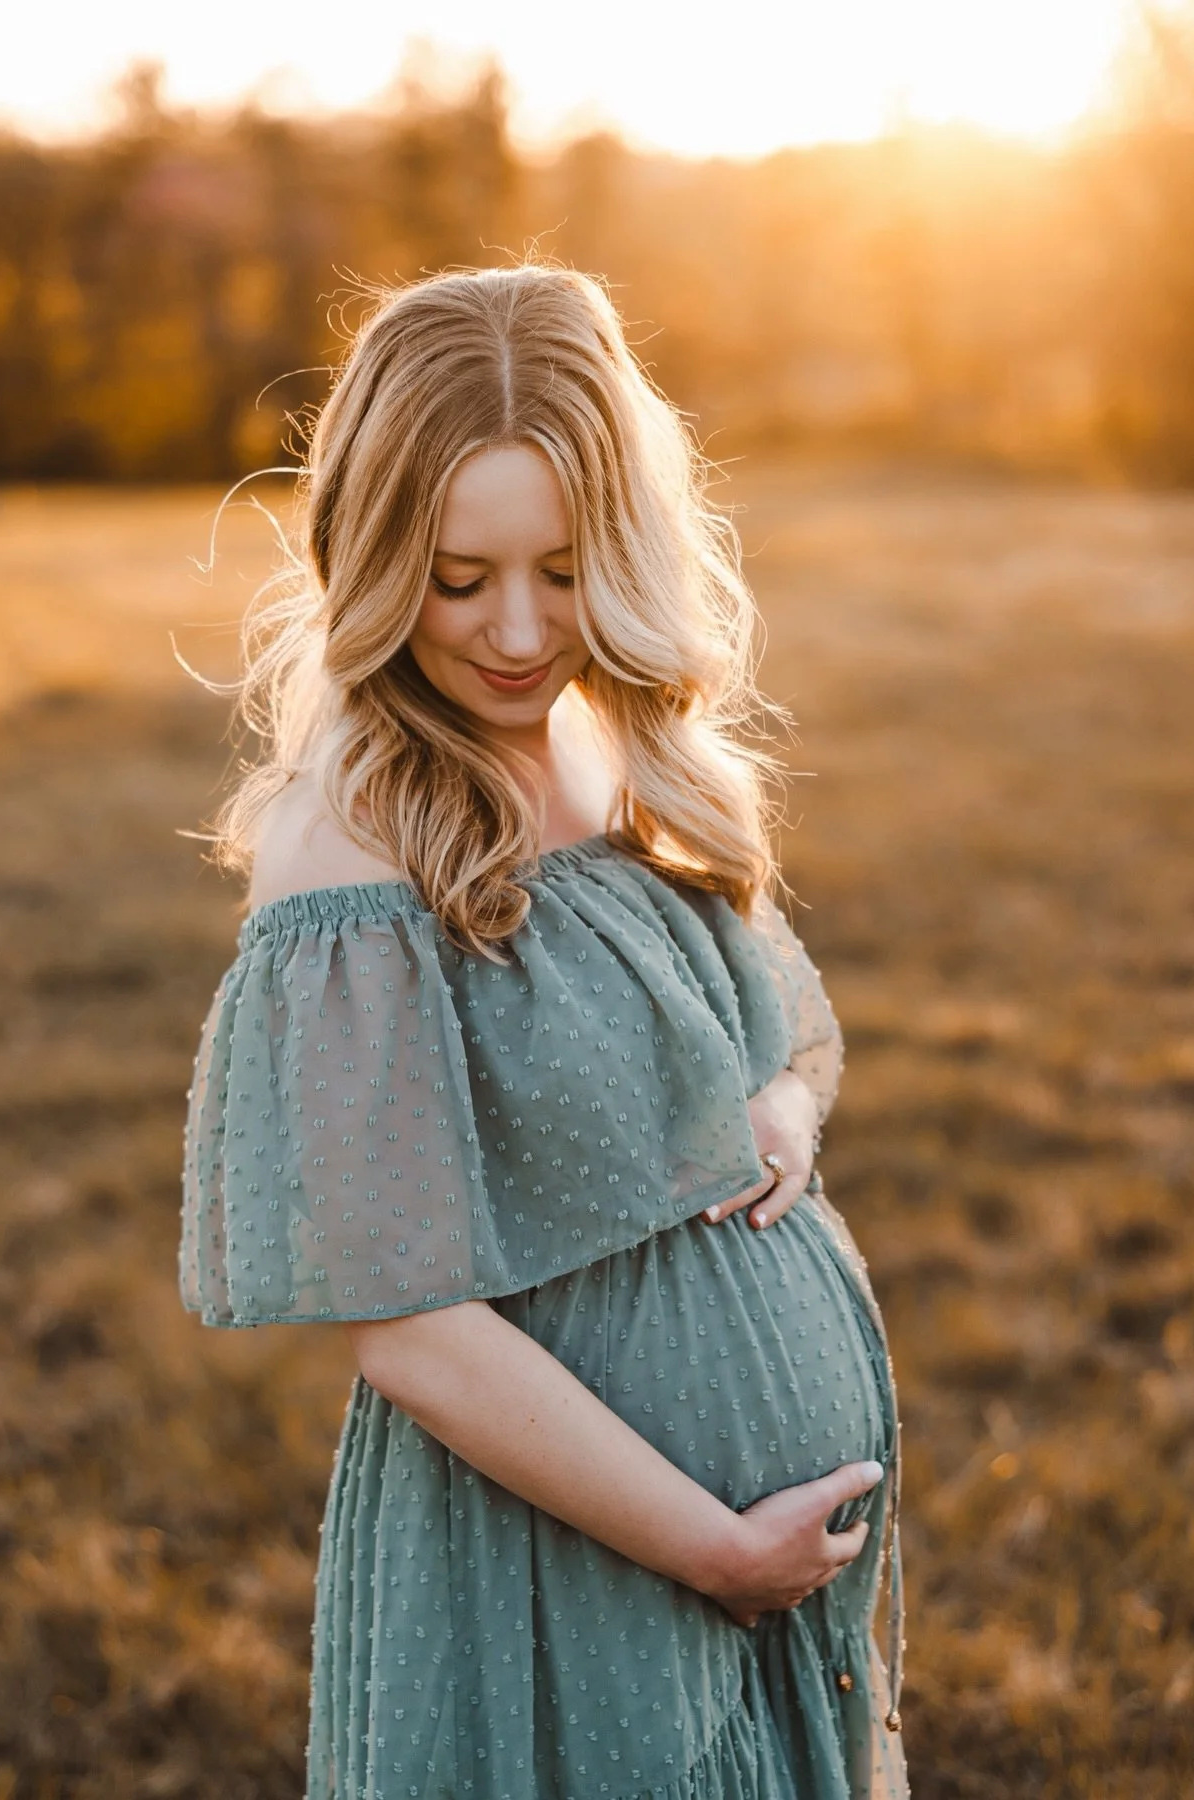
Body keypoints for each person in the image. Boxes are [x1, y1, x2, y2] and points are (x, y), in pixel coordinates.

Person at [180, 263, 907, 1800]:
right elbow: (410, 1325)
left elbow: (789, 1035)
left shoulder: (617, 740)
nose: (518, 631)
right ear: (374, 556)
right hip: (562, 1560)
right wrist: (714, 1548)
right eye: (458, 576)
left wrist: (775, 1104)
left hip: (767, 1566)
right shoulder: (350, 848)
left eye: (564, 569)